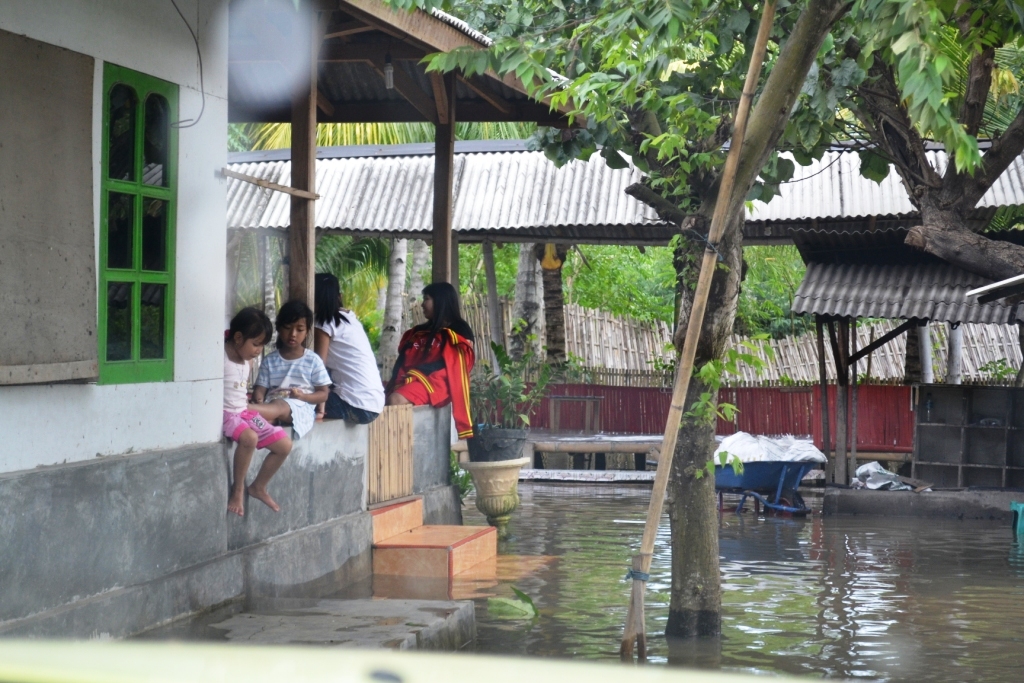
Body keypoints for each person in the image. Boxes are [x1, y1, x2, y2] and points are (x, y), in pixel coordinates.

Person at [223, 307, 293, 516]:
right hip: (226, 414)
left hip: (244, 412)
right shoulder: (219, 356)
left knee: (284, 445)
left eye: (262, 345)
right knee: (249, 438)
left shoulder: (249, 361)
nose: (258, 350)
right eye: (255, 344)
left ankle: (258, 487)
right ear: (237, 337)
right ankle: (238, 490)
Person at [385, 282, 475, 440]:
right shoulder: (419, 331)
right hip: (413, 379)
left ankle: (400, 445)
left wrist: (418, 374)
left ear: (440, 301)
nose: (422, 304)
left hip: (439, 382)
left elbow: (457, 365)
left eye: (426, 299)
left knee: (396, 399)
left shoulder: (460, 330)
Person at [251, 301, 331, 441]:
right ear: (279, 328)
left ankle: (246, 410)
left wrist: (303, 397)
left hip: (301, 409)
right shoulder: (270, 360)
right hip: (272, 405)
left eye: (299, 329)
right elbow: (260, 389)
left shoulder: (313, 360)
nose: (293, 334)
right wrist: (258, 397)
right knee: (269, 415)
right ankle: (266, 417)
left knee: (279, 405)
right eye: (287, 328)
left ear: (307, 332)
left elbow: (323, 394)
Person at [313, 273, 384, 424]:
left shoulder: (325, 323)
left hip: (355, 404)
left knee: (293, 403)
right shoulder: (350, 319)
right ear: (339, 296)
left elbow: (318, 367)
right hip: (374, 404)